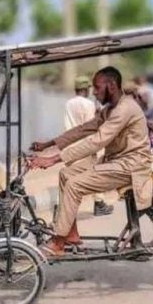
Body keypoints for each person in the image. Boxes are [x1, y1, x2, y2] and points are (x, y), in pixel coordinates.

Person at [28, 67, 153, 257]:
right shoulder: (109, 109)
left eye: (97, 87)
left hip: (132, 166)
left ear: (111, 86)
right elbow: (84, 129)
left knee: (74, 185)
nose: (94, 92)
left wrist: (54, 158)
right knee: (66, 174)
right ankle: (70, 234)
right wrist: (48, 144)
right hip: (116, 161)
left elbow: (97, 141)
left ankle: (58, 243)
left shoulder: (124, 109)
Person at [64, 75, 114, 216]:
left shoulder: (68, 103)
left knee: (69, 179)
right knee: (97, 174)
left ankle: (60, 209)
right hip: (85, 146)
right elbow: (91, 127)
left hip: (71, 145)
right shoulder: (89, 104)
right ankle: (99, 204)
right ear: (86, 89)